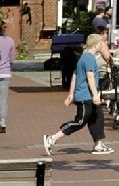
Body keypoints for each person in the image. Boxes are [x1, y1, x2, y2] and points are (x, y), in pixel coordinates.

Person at [43, 26, 111, 160]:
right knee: (80, 121)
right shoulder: (89, 58)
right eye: (101, 43)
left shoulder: (83, 57)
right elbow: (90, 77)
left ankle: (98, 144)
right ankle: (52, 138)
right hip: (86, 96)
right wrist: (95, 95)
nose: (102, 45)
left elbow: (74, 75)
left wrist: (70, 94)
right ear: (96, 45)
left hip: (85, 95)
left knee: (97, 117)